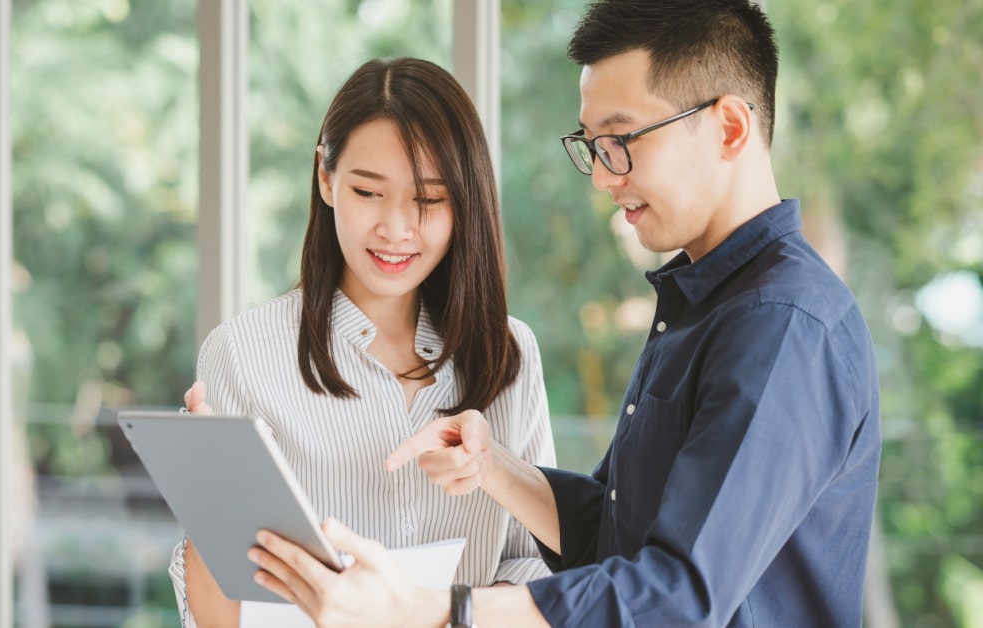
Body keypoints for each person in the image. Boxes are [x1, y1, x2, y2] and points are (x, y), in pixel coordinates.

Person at [246, 1, 882, 626]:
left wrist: (434, 610)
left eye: (621, 141)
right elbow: (612, 527)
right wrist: (493, 466)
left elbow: (676, 597)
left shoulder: (785, 325)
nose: (603, 177)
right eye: (593, 144)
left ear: (729, 129)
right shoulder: (702, 303)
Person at [169, 57, 556, 626]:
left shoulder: (510, 355)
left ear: (464, 201)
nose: (396, 229)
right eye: (369, 192)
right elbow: (214, 613)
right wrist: (209, 507)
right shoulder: (244, 354)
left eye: (428, 200)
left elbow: (540, 568)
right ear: (326, 179)